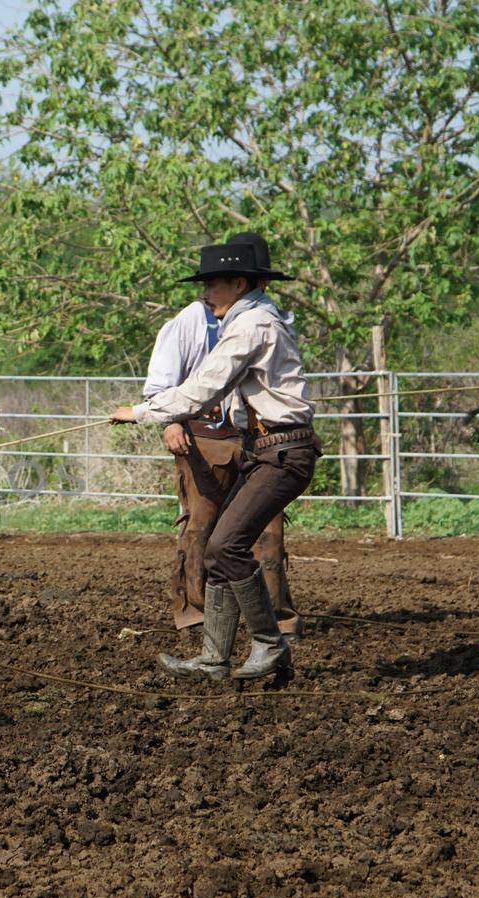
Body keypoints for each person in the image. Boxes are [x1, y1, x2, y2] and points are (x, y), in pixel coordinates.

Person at [110, 235, 320, 681]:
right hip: (269, 450)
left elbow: (204, 385)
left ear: (239, 283)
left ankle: (269, 644)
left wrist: (141, 412)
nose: (205, 293)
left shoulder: (252, 325)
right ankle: (214, 659)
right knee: (219, 551)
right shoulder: (258, 319)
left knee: (225, 547)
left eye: (213, 284)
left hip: (281, 452)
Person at [143, 233, 302, 645]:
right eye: (208, 283)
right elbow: (167, 384)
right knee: (203, 527)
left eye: (214, 282)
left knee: (263, 532)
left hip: (256, 441)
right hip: (204, 437)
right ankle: (196, 615)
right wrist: (167, 420)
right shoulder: (189, 321)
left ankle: (274, 620)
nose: (207, 291)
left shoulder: (262, 321)